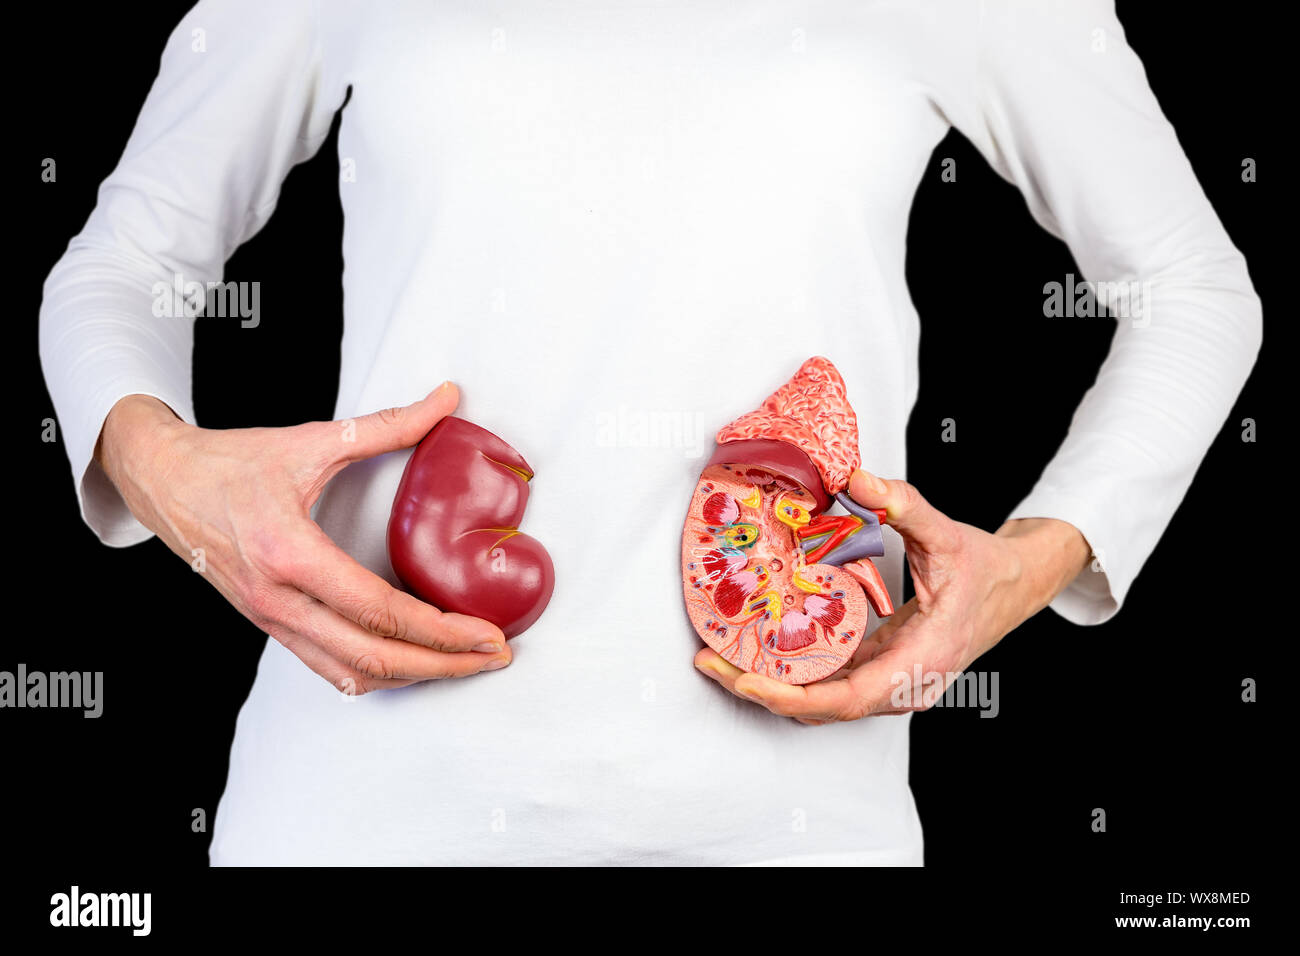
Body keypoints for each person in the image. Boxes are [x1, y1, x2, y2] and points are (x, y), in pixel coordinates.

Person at [39, 0, 1260, 865]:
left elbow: (1194, 291)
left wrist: (1026, 565)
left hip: (797, 834)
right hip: (357, 821)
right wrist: (163, 469)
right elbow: (122, 266)